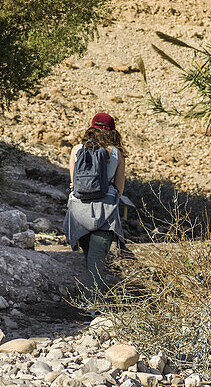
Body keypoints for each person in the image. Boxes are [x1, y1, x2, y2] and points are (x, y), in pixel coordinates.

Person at [63, 112, 126, 297]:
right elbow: (120, 190)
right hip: (104, 213)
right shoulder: (117, 153)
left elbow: (74, 183)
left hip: (78, 212)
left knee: (90, 258)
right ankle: (94, 306)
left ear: (91, 127)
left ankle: (91, 302)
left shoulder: (76, 150)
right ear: (112, 130)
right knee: (96, 261)